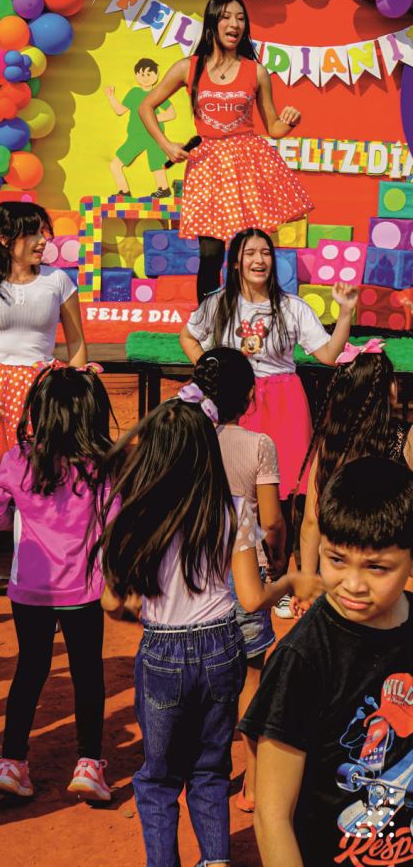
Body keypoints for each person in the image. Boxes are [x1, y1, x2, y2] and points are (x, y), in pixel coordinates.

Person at [95, 396, 323, 867]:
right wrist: (291, 580)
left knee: (158, 777)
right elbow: (253, 597)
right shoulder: (232, 510)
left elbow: (113, 602)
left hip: (162, 650)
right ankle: (215, 860)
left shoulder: (134, 515)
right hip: (222, 645)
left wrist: (136, 609)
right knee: (211, 768)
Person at [240, 457, 413, 867]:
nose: (353, 584)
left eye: (376, 567)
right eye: (336, 560)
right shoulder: (304, 658)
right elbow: (272, 815)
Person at [179, 228, 358, 619]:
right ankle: (233, 577)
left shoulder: (291, 306)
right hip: (235, 400)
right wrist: (207, 368)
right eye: (250, 253)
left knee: (281, 499)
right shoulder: (217, 304)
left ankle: (279, 581)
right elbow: (188, 335)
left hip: (284, 403)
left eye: (266, 252)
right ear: (237, 261)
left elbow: (329, 354)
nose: (259, 260)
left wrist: (345, 312)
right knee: (233, 491)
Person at [0, 364, 118, 801]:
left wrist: (19, 519)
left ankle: (12, 760)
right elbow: (114, 521)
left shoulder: (17, 459)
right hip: (84, 589)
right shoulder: (102, 465)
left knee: (30, 670)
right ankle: (89, 763)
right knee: (87, 673)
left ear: (39, 413)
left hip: (30, 589)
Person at [0, 202, 87, 631]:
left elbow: (76, 346)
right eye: (34, 233)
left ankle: (45, 590)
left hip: (43, 396)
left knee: (46, 499)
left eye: (45, 232)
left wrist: (76, 398)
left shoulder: (58, 281)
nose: (45, 240)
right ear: (6, 239)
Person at [138, 0, 313, 303]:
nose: (235, 24)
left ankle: (251, 318)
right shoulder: (187, 68)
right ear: (212, 22)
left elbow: (274, 128)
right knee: (210, 252)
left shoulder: (256, 72)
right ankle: (207, 322)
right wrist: (167, 145)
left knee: (251, 250)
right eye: (227, 17)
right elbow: (146, 106)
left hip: (247, 164)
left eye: (241, 18)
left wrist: (290, 121)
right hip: (207, 165)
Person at [192, 347, 286, 813]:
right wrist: (280, 561)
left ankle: (204, 774)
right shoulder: (259, 445)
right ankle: (251, 781)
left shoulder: (181, 439)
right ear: (250, 396)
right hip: (245, 569)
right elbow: (271, 521)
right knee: (253, 674)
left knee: (203, 678)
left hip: (192, 576)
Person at [298, 339, 413, 580]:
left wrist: (307, 581)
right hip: (388, 571)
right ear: (388, 389)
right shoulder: (406, 438)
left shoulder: (330, 447)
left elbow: (311, 521)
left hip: (339, 573)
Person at [106, 59, 176, 199]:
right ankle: (124, 192)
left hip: (154, 135)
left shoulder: (158, 93)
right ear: (137, 76)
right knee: (115, 164)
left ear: (156, 76)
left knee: (157, 163)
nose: (145, 77)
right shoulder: (134, 93)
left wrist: (153, 119)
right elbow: (120, 110)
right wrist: (111, 97)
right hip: (136, 136)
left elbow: (171, 113)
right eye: (142, 74)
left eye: (149, 74)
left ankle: (164, 189)